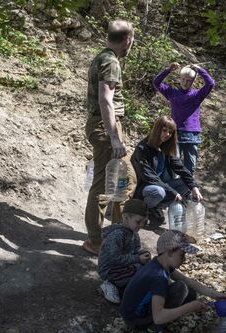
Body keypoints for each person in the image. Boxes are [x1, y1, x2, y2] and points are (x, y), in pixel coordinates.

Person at [120, 230, 226, 333]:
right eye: (182, 255)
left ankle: (167, 317)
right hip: (135, 320)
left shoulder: (160, 263)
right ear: (169, 252)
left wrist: (214, 294)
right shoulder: (158, 277)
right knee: (181, 289)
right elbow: (158, 318)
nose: (185, 260)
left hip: (136, 312)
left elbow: (188, 281)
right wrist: (188, 308)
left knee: (189, 291)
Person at [83, 20, 137, 256]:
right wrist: (114, 138)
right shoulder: (111, 61)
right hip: (106, 128)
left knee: (123, 179)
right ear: (128, 39)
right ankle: (96, 241)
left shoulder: (102, 57)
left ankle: (117, 231)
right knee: (105, 184)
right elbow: (106, 100)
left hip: (105, 126)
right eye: (132, 41)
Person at [131, 116, 203, 226]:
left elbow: (181, 169)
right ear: (157, 129)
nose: (167, 135)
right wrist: (173, 192)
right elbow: (149, 177)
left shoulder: (166, 148)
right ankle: (143, 210)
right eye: (164, 130)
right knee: (158, 192)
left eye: (170, 132)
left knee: (186, 183)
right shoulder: (142, 149)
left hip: (162, 185)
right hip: (145, 188)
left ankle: (156, 207)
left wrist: (194, 187)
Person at [153, 62, 215, 174]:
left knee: (190, 166)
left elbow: (210, 83)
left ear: (193, 81)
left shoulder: (197, 95)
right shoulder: (172, 93)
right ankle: (172, 189)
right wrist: (168, 69)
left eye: (189, 80)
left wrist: (199, 69)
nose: (185, 82)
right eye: (183, 79)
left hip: (192, 135)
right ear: (179, 78)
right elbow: (156, 82)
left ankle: (188, 189)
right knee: (173, 163)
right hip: (174, 133)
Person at [98, 199, 151, 304]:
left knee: (145, 265)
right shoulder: (116, 235)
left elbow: (136, 250)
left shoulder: (134, 233)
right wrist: (138, 259)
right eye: (138, 222)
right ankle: (109, 285)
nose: (140, 225)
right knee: (139, 274)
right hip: (109, 270)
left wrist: (143, 255)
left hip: (125, 264)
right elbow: (114, 259)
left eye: (143, 222)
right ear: (125, 217)